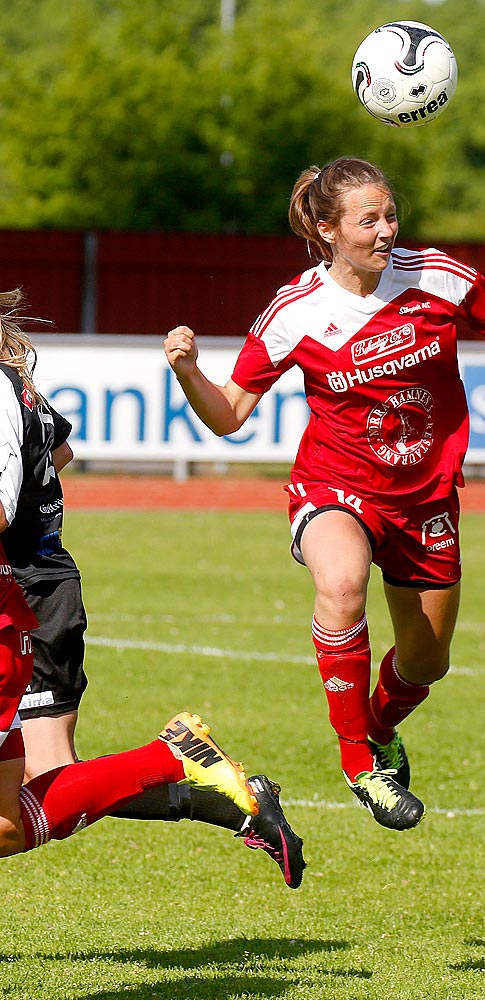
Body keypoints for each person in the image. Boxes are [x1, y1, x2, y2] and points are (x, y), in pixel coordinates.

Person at [163, 156, 485, 832]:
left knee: (426, 660)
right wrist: (188, 372)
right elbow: (229, 414)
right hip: (336, 488)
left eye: (391, 215)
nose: (386, 230)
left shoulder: (436, 278)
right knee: (341, 584)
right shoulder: (294, 311)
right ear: (328, 229)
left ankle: (380, 725)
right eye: (370, 220)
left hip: (426, 499)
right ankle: (358, 761)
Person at [0, 288, 304, 883]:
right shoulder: (20, 388)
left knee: (39, 789)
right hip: (38, 579)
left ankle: (188, 772)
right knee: (31, 798)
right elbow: (60, 452)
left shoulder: (4, 390)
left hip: (28, 590)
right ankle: (212, 793)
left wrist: (25, 503)